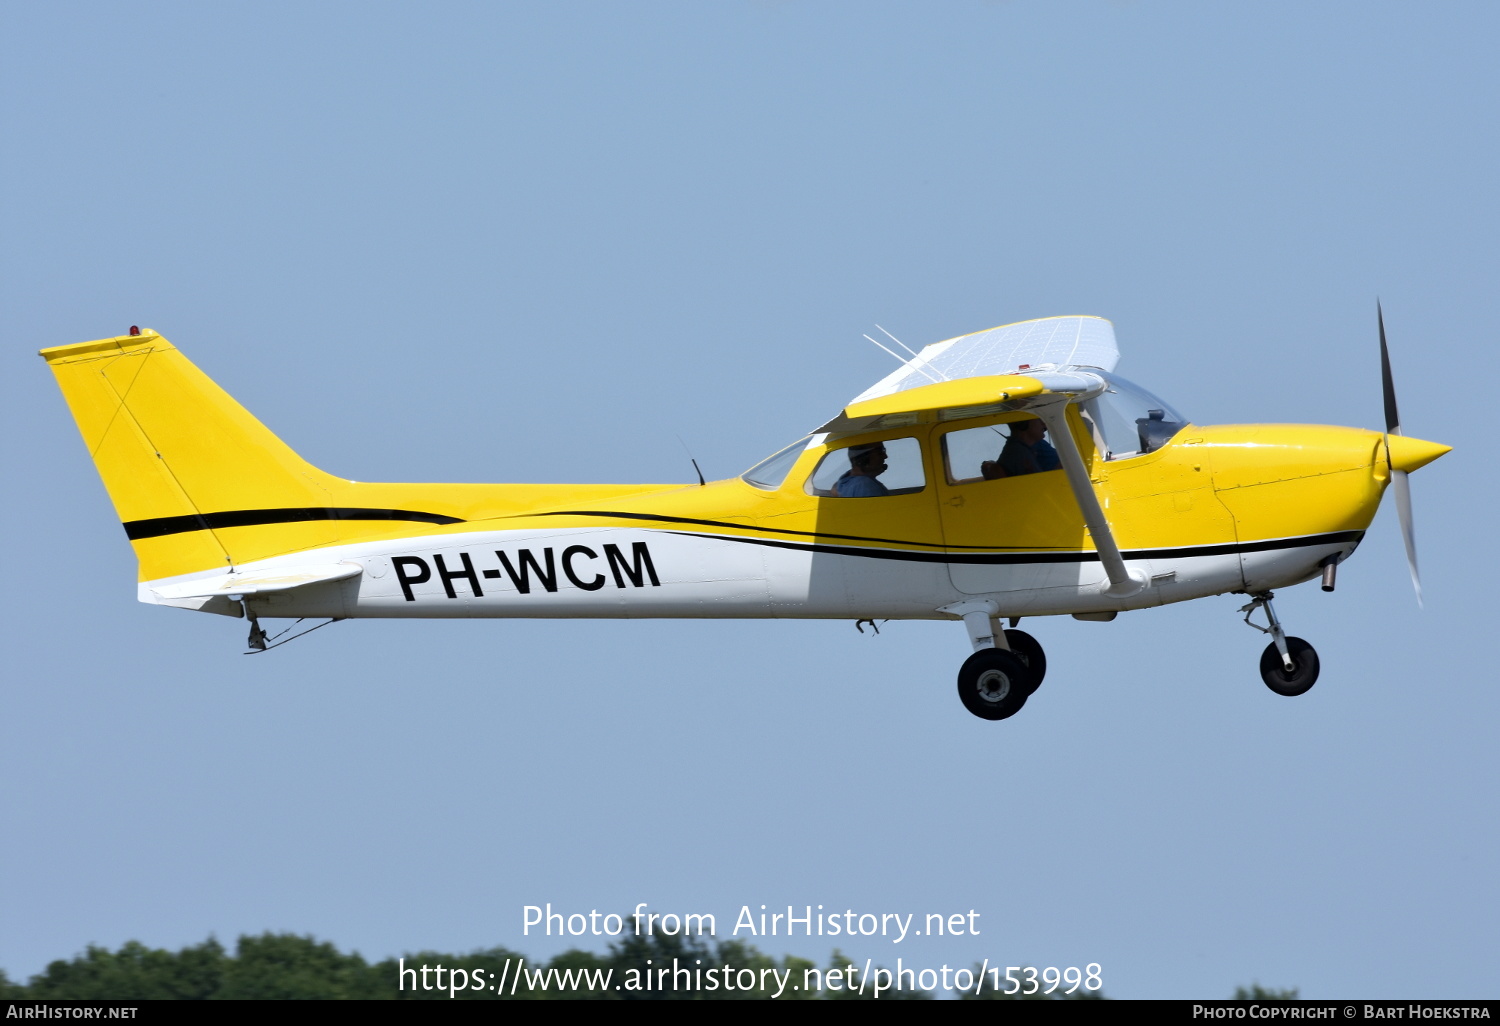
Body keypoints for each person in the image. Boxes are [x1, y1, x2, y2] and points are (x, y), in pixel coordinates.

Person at [981, 418, 1061, 479]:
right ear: (1022, 423)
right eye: (1038, 420)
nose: (1044, 424)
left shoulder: (1021, 448)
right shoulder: (1018, 453)